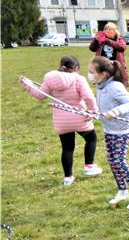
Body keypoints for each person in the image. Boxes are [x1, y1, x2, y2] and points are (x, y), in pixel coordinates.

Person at [19, 56, 103, 186]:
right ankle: (89, 166)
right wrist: (92, 111)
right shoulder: (78, 79)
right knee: (91, 139)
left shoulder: (50, 80)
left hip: (62, 122)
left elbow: (40, 95)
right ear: (76, 68)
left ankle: (68, 177)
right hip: (79, 117)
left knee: (67, 148)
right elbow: (89, 98)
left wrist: (28, 85)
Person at [90, 56, 129, 209]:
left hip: (121, 129)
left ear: (103, 73)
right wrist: (95, 113)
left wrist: (116, 111)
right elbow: (102, 105)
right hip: (109, 128)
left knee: (119, 161)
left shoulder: (115, 86)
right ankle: (122, 190)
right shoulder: (100, 86)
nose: (90, 75)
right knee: (112, 161)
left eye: (92, 72)